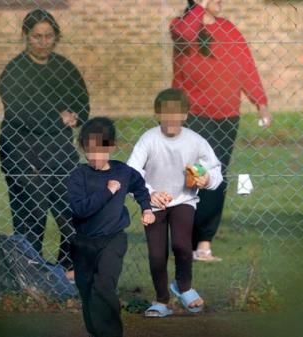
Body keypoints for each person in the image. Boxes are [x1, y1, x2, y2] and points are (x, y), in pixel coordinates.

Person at [169, 0, 271, 261]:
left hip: (227, 118)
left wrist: (260, 101)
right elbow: (185, 35)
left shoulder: (230, 30)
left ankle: (204, 243)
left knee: (216, 177)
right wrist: (199, 8)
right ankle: (185, 238)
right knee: (194, 176)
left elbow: (246, 67)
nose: (220, 1)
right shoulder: (182, 27)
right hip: (194, 117)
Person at [0, 9, 89, 275]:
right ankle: (30, 269)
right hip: (20, 148)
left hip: (57, 148)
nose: (43, 42)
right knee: (32, 209)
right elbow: (21, 112)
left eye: (49, 36)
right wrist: (56, 117)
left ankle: (67, 268)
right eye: (37, 36)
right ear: (26, 36)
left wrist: (75, 116)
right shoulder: (15, 70)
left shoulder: (64, 67)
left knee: (70, 207)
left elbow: (82, 103)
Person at [127, 88, 223, 317]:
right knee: (157, 255)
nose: (171, 118)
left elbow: (215, 169)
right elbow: (131, 172)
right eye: (165, 113)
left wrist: (207, 178)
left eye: (176, 113)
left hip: (184, 199)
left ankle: (184, 286)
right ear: (157, 114)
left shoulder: (195, 141)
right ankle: (161, 300)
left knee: (182, 245)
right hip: (154, 202)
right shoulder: (149, 139)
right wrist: (149, 194)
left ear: (186, 115)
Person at [68, 117, 155, 337]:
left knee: (104, 286)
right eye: (89, 150)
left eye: (100, 150)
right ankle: (97, 331)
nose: (94, 156)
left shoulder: (122, 172)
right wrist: (107, 192)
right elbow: (80, 210)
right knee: (87, 289)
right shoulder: (79, 176)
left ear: (111, 147)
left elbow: (140, 187)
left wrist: (146, 208)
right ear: (83, 148)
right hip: (84, 242)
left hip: (112, 240)